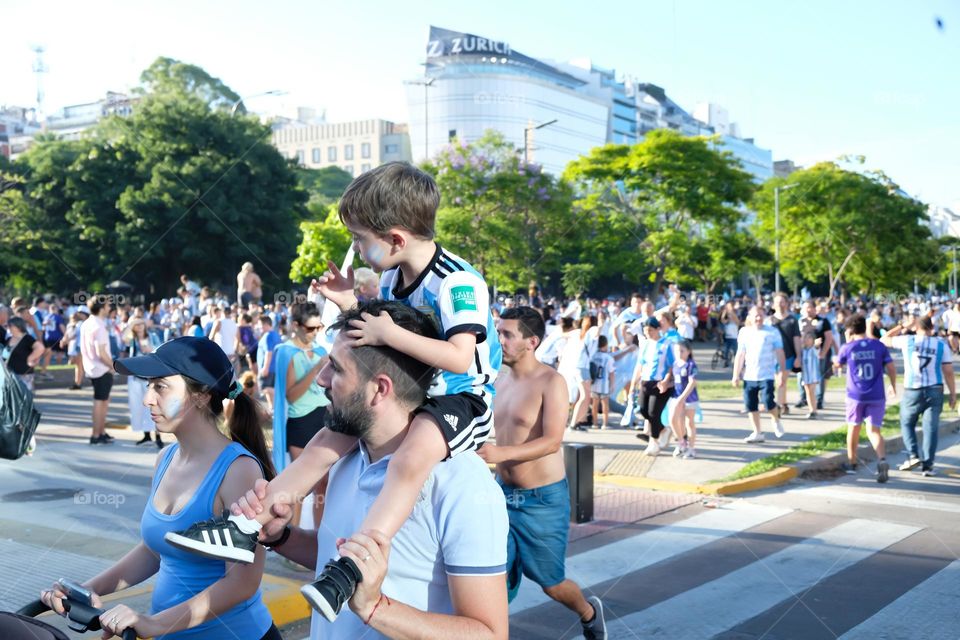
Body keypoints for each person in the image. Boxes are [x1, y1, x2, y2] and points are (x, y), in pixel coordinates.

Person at [165, 163, 502, 622]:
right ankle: (249, 521)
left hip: (464, 398)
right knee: (326, 442)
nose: (359, 252)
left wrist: (386, 331)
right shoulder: (391, 279)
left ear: (397, 239)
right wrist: (351, 305)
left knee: (408, 460)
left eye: (362, 240)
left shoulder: (458, 281)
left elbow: (462, 357)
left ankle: (354, 565)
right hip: (416, 393)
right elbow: (385, 344)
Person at [230, 302, 509, 639]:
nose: (321, 380)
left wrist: (375, 608)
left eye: (336, 369)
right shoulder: (345, 457)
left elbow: (489, 634)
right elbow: (333, 552)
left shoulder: (461, 482)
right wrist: (280, 537)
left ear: (379, 389)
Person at [40, 337, 281, 639]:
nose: (147, 399)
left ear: (202, 395)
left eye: (161, 387)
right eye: (149, 386)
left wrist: (154, 623)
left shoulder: (238, 470)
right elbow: (155, 551)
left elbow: (243, 583)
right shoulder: (165, 459)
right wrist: (88, 589)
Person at [477, 306, 607, 639]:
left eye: (507, 334)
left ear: (531, 341)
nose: (499, 339)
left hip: (542, 501)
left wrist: (499, 453)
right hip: (502, 493)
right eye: (498, 332)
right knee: (490, 571)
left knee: (549, 581)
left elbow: (552, 441)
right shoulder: (500, 380)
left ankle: (589, 613)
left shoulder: (552, 381)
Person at [882, 315, 956, 476]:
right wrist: (952, 394)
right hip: (935, 389)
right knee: (930, 428)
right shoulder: (941, 345)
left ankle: (913, 455)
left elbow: (884, 339)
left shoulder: (907, 340)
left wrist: (902, 325)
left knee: (907, 422)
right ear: (932, 328)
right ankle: (928, 466)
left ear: (916, 327)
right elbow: (948, 372)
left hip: (912, 390)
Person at [835, 314, 896, 481]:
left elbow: (837, 364)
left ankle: (852, 462)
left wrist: (847, 342)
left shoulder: (848, 347)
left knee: (853, 428)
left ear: (850, 330)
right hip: (876, 395)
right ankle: (882, 459)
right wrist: (893, 385)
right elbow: (891, 367)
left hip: (855, 395)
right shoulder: (878, 346)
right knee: (874, 430)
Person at [732, 305, 786, 443]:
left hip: (767, 374)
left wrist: (781, 372)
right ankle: (757, 432)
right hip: (750, 375)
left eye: (761, 315)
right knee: (751, 404)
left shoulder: (772, 332)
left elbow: (780, 352)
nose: (758, 318)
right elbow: (740, 354)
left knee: (768, 401)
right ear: (749, 317)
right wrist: (736, 375)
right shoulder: (744, 332)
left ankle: (775, 419)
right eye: (755, 315)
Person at [629, 317, 674, 454]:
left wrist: (666, 381)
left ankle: (653, 442)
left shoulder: (667, 344)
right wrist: (633, 383)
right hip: (645, 381)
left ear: (658, 329)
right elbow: (640, 365)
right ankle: (663, 429)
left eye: (650, 330)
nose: (647, 333)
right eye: (645, 330)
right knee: (643, 410)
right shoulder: (646, 344)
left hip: (660, 383)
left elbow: (671, 366)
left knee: (654, 413)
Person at [80, 297, 116, 445]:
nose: (109, 308)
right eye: (107, 305)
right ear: (101, 308)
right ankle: (96, 435)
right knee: (100, 401)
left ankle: (100, 432)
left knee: (103, 400)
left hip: (93, 367)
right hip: (101, 368)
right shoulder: (99, 326)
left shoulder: (87, 323)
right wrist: (113, 366)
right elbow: (101, 352)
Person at [124, 318, 164, 448]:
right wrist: (130, 325)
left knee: (155, 406)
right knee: (139, 407)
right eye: (136, 325)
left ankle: (158, 436)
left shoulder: (152, 336)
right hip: (136, 377)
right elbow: (123, 338)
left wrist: (151, 350)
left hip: (151, 378)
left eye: (141, 323)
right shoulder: (132, 340)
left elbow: (161, 350)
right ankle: (146, 435)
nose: (140, 326)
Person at [797, 300, 835, 410]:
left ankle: (819, 399)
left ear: (814, 308)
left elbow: (828, 338)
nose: (807, 310)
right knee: (802, 377)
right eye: (805, 308)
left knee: (819, 377)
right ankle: (803, 398)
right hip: (804, 354)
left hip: (818, 354)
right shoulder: (800, 322)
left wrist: (823, 353)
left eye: (809, 307)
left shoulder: (822, 321)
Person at [770, 293, 801, 414]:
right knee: (780, 381)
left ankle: (778, 406)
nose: (779, 304)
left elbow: (797, 338)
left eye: (782, 302)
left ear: (787, 303)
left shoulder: (792, 320)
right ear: (773, 304)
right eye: (777, 302)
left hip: (788, 355)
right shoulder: (770, 321)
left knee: (781, 380)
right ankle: (784, 404)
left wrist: (798, 356)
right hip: (773, 357)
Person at [669, 340, 699, 459]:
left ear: (688, 351)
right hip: (677, 397)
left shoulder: (691, 365)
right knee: (674, 420)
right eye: (677, 351)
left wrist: (682, 398)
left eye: (682, 351)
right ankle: (682, 443)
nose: (679, 353)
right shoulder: (676, 364)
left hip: (689, 399)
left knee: (689, 423)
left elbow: (692, 382)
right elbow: (675, 381)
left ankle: (691, 449)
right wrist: (665, 384)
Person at [3, 317, 45, 392]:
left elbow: (40, 348)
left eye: (9, 326)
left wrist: (31, 358)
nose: (8, 328)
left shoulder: (27, 338)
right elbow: (5, 355)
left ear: (17, 326)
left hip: (23, 373)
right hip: (10, 374)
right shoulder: (9, 339)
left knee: (24, 397)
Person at [256, 315, 282, 414]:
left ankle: (284, 397)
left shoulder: (268, 336)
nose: (259, 327)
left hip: (268, 368)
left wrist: (265, 368)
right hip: (274, 368)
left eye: (260, 325)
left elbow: (269, 352)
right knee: (269, 389)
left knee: (264, 388)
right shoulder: (275, 334)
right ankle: (273, 409)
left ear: (266, 324)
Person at [589, 335, 615, 429]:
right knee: (605, 404)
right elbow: (611, 373)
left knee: (594, 405)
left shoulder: (593, 356)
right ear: (605, 345)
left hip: (594, 384)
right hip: (604, 384)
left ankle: (595, 423)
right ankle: (605, 424)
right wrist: (612, 385)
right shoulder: (608, 358)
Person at [799, 331, 822, 420]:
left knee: (811, 392)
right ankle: (811, 410)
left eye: (809, 338)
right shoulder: (803, 350)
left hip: (813, 375)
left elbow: (817, 347)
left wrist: (817, 344)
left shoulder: (814, 349)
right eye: (805, 337)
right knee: (808, 393)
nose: (806, 339)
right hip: (805, 375)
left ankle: (814, 410)